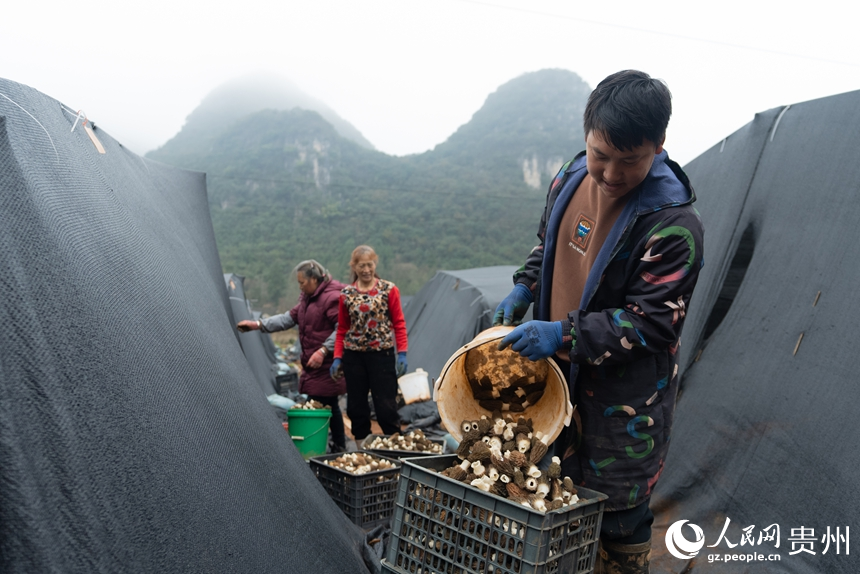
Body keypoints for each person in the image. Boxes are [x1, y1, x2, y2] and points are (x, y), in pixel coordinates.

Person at [495, 70, 705, 573]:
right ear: (587, 137)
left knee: (618, 511)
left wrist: (561, 333)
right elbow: (548, 244)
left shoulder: (673, 227)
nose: (609, 173)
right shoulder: (570, 178)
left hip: (623, 402)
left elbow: (651, 325)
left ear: (658, 147)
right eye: (600, 154)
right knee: (549, 489)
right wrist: (526, 285)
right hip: (553, 383)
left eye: (628, 161)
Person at [237, 260, 347, 451]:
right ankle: (334, 445)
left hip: (328, 364)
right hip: (314, 364)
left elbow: (343, 329)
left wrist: (323, 351)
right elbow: (288, 318)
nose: (300, 287)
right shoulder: (307, 299)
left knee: (322, 404)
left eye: (302, 282)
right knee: (326, 404)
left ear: (314, 279)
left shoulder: (331, 298)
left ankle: (328, 447)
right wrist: (258, 325)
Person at [330, 245, 408, 441]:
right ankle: (361, 450)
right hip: (354, 356)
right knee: (356, 406)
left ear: (375, 264)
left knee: (386, 405)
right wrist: (337, 357)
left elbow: (398, 323)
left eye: (369, 265)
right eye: (361, 265)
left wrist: (402, 353)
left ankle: (395, 448)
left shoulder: (388, 289)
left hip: (382, 354)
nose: (366, 270)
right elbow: (342, 329)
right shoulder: (346, 294)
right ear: (354, 267)